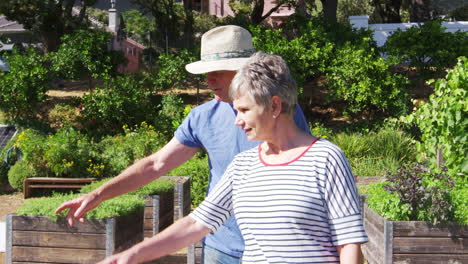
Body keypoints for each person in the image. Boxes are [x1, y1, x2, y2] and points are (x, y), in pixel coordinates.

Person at [55, 25, 310, 263]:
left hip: (278, 248)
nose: (209, 80)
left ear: (244, 72)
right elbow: (156, 164)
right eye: (206, 73)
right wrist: (99, 194)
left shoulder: (281, 112)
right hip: (221, 248)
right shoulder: (202, 117)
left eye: (217, 72)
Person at [96, 52, 368, 264]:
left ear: (274, 105)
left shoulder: (326, 158)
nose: (237, 121)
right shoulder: (244, 166)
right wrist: (133, 255)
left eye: (244, 110)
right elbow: (195, 224)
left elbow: (348, 243)